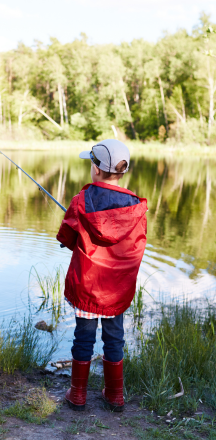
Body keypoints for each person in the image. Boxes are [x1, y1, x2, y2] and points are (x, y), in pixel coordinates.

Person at [57, 139, 147, 412]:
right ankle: (115, 396)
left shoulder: (80, 201)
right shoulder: (136, 206)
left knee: (83, 338)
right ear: (123, 171)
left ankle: (78, 395)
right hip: (117, 289)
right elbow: (137, 247)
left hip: (87, 288)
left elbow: (66, 238)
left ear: (96, 169)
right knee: (115, 338)